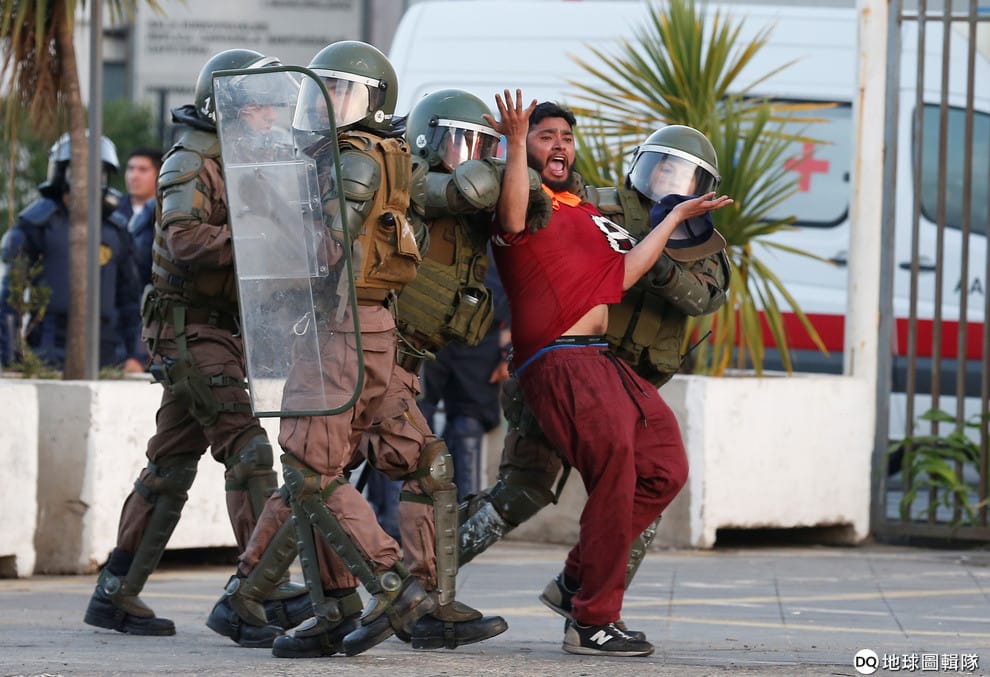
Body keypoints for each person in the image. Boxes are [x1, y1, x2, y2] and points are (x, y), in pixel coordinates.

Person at [205, 46, 505, 659]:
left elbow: (324, 249)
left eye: (345, 91)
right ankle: (333, 607)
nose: (328, 101)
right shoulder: (374, 154)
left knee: (313, 471)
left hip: (339, 326)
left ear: (375, 103)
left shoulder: (353, 159)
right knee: (344, 465)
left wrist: (265, 226)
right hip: (363, 330)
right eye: (326, 88)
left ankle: (397, 591)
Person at [488, 91, 731, 657]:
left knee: (665, 467)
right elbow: (514, 216)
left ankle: (577, 580)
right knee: (615, 480)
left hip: (601, 358)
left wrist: (673, 220)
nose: (559, 145)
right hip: (561, 358)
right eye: (546, 136)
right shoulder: (528, 203)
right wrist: (516, 142)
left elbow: (624, 273)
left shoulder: (588, 211)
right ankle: (592, 621)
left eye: (565, 137)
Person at [83, 48, 310, 638]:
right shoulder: (193, 157)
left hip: (216, 326)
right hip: (189, 327)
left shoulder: (243, 157)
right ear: (224, 107)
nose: (269, 115)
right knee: (248, 448)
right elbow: (184, 239)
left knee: (170, 463)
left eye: (271, 105)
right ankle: (264, 592)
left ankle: (115, 592)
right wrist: (260, 243)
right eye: (256, 105)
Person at [0, 133, 140, 371]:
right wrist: (9, 356)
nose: (88, 180)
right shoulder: (36, 226)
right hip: (49, 346)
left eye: (98, 172)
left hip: (107, 350)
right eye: (79, 171)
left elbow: (131, 301)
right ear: (60, 173)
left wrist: (137, 356)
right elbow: (10, 299)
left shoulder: (116, 231)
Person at [418, 265, 511, 501]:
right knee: (414, 423)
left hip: (483, 332)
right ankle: (405, 516)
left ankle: (465, 514)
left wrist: (510, 345)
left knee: (468, 426)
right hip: (428, 323)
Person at [116, 147, 164, 373]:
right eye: (130, 169)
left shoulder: (166, 217)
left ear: (158, 174)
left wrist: (140, 353)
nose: (134, 176)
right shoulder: (112, 212)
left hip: (150, 318)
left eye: (143, 170)